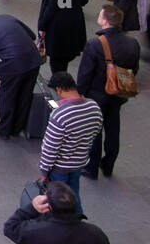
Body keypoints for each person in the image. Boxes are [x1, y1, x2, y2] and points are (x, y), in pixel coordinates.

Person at [75, 4, 140, 181]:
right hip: (118, 94)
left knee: (94, 131)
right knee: (113, 128)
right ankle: (108, 164)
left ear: (104, 20)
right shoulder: (132, 43)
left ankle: (91, 167)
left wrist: (80, 94)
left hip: (97, 95)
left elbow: (85, 74)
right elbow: (134, 69)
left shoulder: (96, 44)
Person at [36, 70, 103, 211]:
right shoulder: (93, 106)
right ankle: (78, 220)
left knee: (58, 200)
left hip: (59, 168)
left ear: (59, 90)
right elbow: (96, 130)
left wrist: (43, 171)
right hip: (79, 162)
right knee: (74, 195)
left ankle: (63, 226)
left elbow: (50, 148)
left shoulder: (60, 115)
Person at [39, 0, 95, 73]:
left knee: (56, 58)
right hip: (75, 23)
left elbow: (51, 8)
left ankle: (59, 81)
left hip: (59, 26)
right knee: (66, 56)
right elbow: (84, 0)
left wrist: (42, 26)